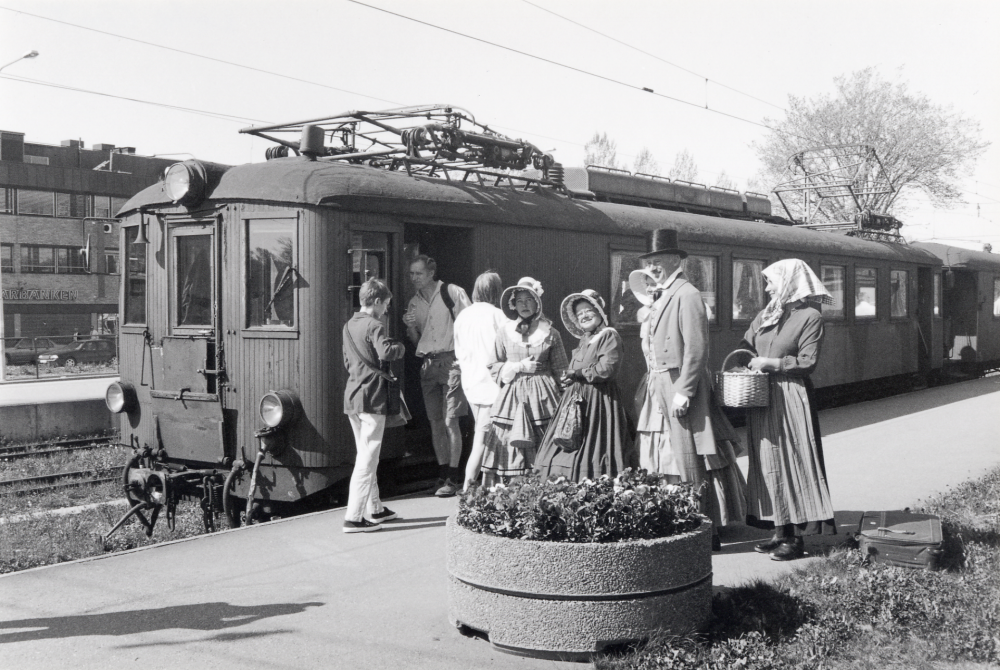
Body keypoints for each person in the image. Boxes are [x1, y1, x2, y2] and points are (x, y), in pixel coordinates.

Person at [638, 229, 746, 551]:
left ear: (677, 260)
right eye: (650, 262)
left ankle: (705, 531)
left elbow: (697, 348)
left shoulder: (686, 294)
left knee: (691, 459)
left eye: (659, 261)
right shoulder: (661, 295)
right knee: (677, 456)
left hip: (679, 382)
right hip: (660, 381)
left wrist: (683, 389)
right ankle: (693, 524)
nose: (654, 267)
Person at [740, 258, 836, 561]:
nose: (767, 289)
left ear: (789, 283)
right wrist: (746, 364)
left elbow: (808, 362)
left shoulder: (810, 316)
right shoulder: (768, 314)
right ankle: (779, 530)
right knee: (768, 461)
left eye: (771, 282)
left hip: (790, 395)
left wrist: (772, 363)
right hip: (761, 394)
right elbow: (745, 346)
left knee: (792, 461)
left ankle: (795, 538)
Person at [536, 290, 634, 481]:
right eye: (579, 314)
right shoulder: (585, 340)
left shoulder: (609, 336)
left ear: (598, 311)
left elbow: (607, 369)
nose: (584, 316)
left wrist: (579, 373)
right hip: (577, 399)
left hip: (598, 401)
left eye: (588, 310)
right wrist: (570, 377)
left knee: (595, 448)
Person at [481, 277, 568, 486]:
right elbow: (493, 365)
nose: (524, 305)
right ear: (513, 304)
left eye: (529, 300)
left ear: (537, 302)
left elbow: (562, 370)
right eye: (519, 300)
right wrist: (517, 367)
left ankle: (545, 488)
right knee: (511, 439)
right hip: (513, 397)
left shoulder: (550, 333)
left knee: (544, 438)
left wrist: (567, 399)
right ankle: (514, 491)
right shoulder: (504, 332)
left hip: (544, 398)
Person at [403, 254, 472, 497]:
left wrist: (463, 362)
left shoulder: (452, 292)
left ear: (431, 273)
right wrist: (410, 326)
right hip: (428, 364)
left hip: (452, 362)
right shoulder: (414, 303)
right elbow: (415, 341)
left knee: (450, 420)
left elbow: (469, 325)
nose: (414, 278)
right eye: (411, 274)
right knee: (435, 421)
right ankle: (443, 473)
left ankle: (453, 477)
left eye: (418, 273)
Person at [342, 279, 406, 533]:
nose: (387, 309)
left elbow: (348, 362)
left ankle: (376, 509)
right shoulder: (375, 325)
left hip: (353, 395)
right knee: (367, 459)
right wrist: (399, 347)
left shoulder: (349, 326)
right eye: (386, 304)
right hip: (373, 397)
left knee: (367, 454)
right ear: (377, 301)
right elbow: (386, 353)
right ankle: (354, 517)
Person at [453, 271, 507, 492]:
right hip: (493, 385)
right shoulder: (498, 316)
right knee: (483, 438)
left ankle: (485, 485)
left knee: (482, 433)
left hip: (471, 383)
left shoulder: (463, 316)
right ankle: (468, 488)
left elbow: (458, 351)